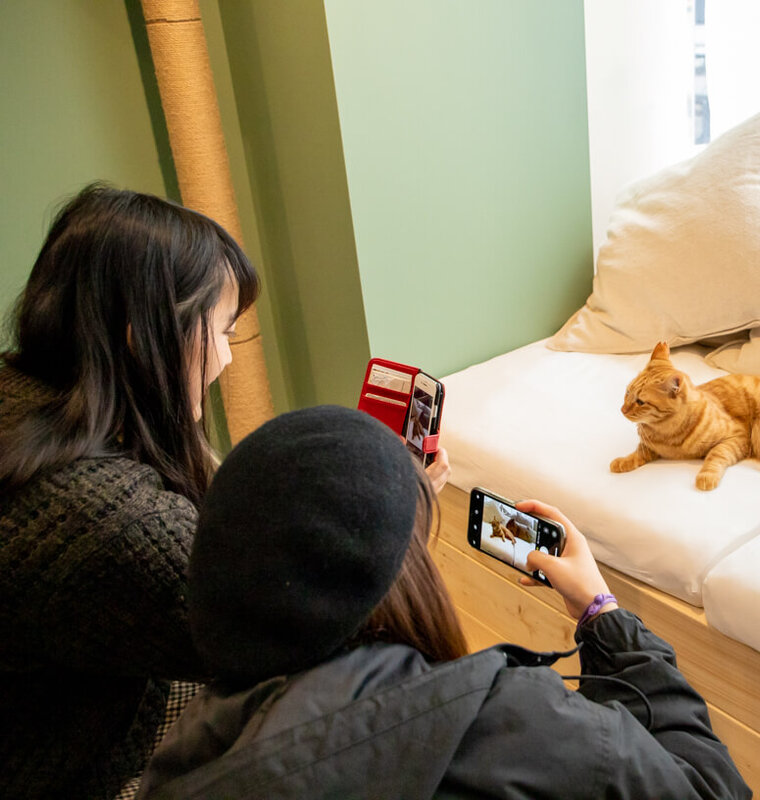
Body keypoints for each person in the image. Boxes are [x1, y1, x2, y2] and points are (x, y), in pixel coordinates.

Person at [0, 183, 450, 799]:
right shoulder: (113, 522)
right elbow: (321, 621)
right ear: (141, 338)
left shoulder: (24, 396)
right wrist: (402, 506)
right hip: (75, 768)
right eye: (221, 333)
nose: (225, 361)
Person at [136, 405, 752, 799]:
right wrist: (602, 614)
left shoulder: (187, 749)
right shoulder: (521, 726)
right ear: (403, 580)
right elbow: (712, 789)